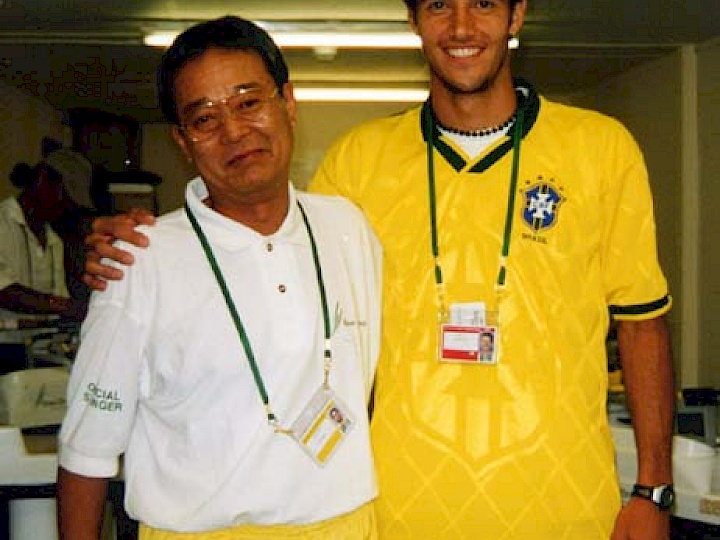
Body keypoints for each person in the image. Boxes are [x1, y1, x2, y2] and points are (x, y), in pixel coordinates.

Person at [83, 1, 675, 539]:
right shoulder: (357, 163)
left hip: (565, 511)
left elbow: (643, 325)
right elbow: (270, 253)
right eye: (440, 5)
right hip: (393, 513)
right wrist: (146, 242)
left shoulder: (602, 150)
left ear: (518, 14)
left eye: (485, 3)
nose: (462, 26)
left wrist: (652, 487)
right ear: (414, 19)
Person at [57, 16, 381, 540]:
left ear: (288, 103)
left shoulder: (348, 229)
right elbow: (87, 452)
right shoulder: (139, 259)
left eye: (249, 102)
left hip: (347, 527)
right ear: (184, 143)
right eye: (204, 119)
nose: (234, 131)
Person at [0, 149, 93, 373]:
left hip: (38, 352)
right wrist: (67, 306)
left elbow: (58, 303)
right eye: (65, 197)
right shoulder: (3, 223)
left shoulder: (54, 241)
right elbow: (4, 291)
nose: (67, 207)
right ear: (44, 180)